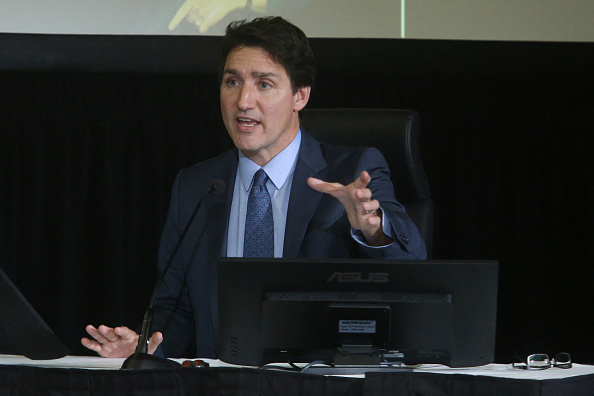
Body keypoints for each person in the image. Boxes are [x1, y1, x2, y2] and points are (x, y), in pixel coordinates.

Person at [81, 16, 426, 359]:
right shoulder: (197, 185)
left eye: (264, 84)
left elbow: (412, 272)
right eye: (232, 82)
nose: (243, 101)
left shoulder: (352, 171)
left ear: (300, 96)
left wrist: (373, 230)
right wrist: (144, 348)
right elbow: (176, 307)